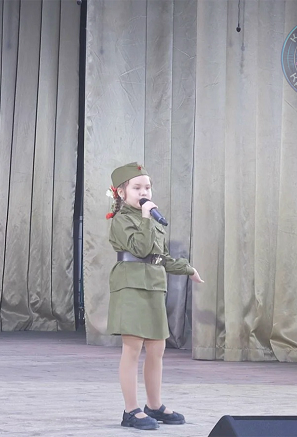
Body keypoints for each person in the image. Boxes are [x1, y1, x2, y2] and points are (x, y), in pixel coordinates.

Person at [106, 162, 204, 430]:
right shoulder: (121, 220)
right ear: (121, 193)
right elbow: (140, 248)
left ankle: (154, 405)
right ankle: (131, 410)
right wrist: (147, 218)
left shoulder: (151, 220)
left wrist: (188, 269)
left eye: (147, 187)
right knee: (132, 348)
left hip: (154, 286)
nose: (144, 192)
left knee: (157, 348)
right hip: (131, 286)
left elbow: (160, 256)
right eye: (137, 188)